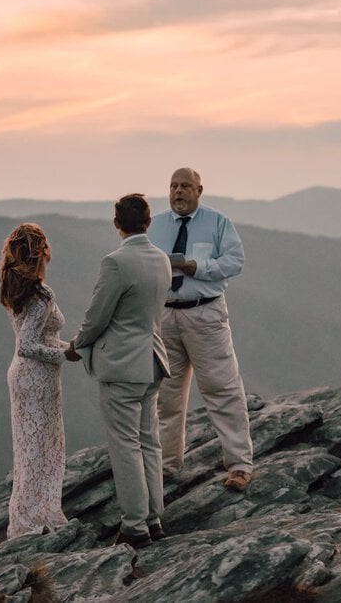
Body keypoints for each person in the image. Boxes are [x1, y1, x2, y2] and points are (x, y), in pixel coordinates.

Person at [66, 193, 172, 549]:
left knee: (125, 446)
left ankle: (134, 525)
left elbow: (98, 316)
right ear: (148, 221)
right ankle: (155, 517)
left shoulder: (115, 262)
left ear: (117, 223)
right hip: (154, 360)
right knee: (149, 441)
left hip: (123, 366)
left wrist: (76, 345)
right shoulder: (162, 260)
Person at [148, 167, 254, 492]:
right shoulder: (156, 225)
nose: (178, 192)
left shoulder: (217, 222)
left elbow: (235, 261)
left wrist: (197, 267)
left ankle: (239, 465)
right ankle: (166, 465)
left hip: (204, 313)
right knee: (166, 396)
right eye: (173, 186)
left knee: (222, 388)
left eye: (185, 187)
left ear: (199, 190)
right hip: (165, 316)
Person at [0, 223, 72, 538]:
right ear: (42, 250)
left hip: (26, 376)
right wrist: (65, 356)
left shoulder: (21, 289)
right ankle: (32, 520)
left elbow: (43, 338)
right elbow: (27, 346)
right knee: (41, 449)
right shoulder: (42, 294)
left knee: (32, 448)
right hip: (36, 378)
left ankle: (32, 515)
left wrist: (69, 347)